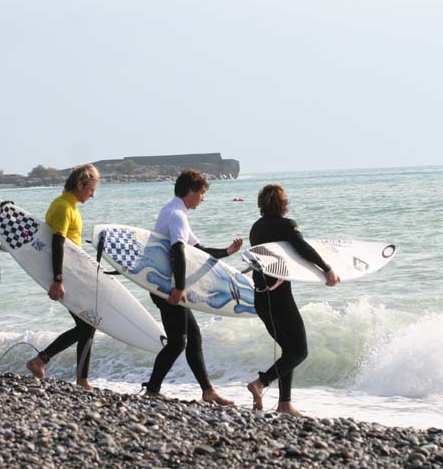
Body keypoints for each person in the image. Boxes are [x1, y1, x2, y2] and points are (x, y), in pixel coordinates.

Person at [144, 169, 242, 405]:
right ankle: (153, 389)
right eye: (202, 193)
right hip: (167, 286)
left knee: (192, 338)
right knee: (178, 341)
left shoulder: (173, 211)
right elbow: (178, 250)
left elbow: (197, 251)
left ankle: (208, 392)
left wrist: (227, 252)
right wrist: (179, 288)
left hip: (165, 284)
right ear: (191, 191)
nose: (203, 198)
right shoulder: (177, 215)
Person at [246, 184, 340, 416]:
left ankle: (284, 404)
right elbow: (302, 247)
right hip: (279, 298)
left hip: (261, 298)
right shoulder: (287, 225)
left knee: (288, 350)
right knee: (299, 351)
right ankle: (261, 383)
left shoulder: (256, 228)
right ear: (283, 203)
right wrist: (327, 268)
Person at [26, 164, 100, 388]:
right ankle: (43, 362)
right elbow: (57, 243)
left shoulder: (70, 206)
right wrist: (58, 280)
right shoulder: (63, 207)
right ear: (80, 184)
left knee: (87, 324)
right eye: (91, 189)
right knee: (87, 324)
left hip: (72, 274)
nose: (92, 195)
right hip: (65, 275)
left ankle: (75, 376)